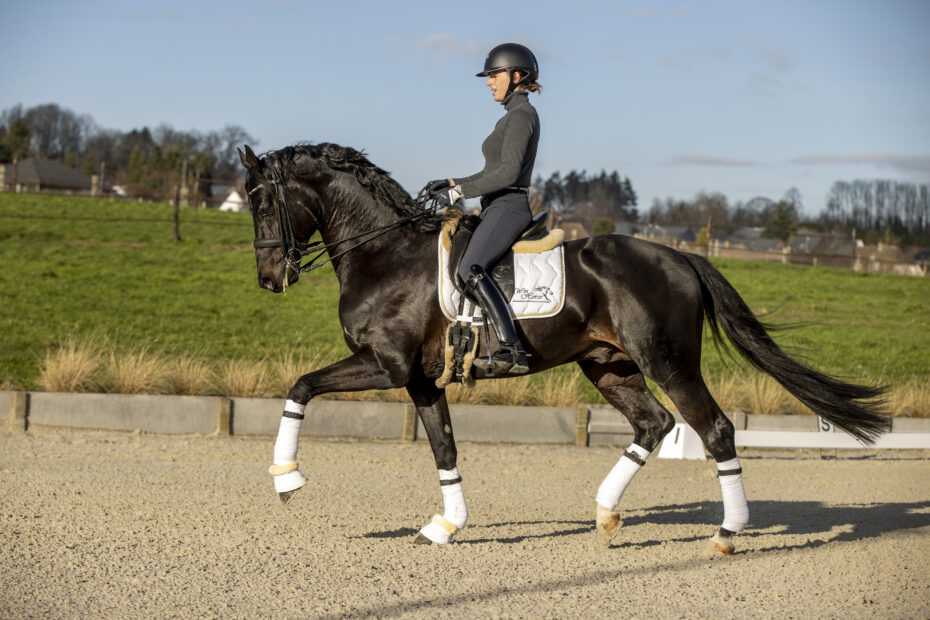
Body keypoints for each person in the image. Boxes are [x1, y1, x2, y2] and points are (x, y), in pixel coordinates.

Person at [424, 42, 541, 376]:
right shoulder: (511, 117)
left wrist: (460, 191)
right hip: (495, 205)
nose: (489, 82)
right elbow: (492, 173)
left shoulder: (521, 116)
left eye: (494, 75)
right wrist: (451, 182)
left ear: (517, 76)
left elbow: (507, 174)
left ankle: (511, 349)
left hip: (509, 206)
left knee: (470, 268)